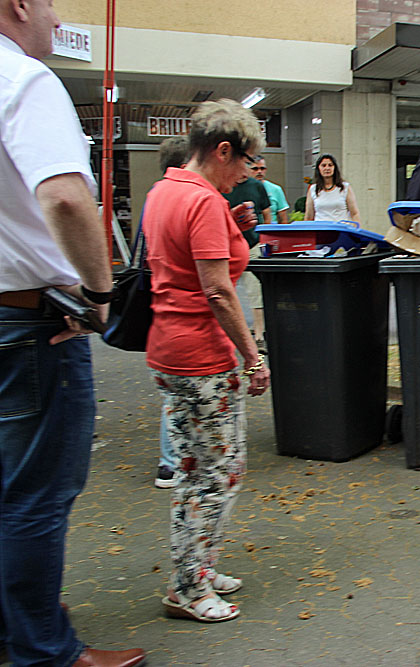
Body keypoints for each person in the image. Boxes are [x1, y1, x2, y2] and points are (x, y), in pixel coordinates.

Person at [0, 1, 147, 665]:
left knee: (8, 486)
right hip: (33, 322)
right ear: (19, 5)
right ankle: (45, 651)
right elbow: (64, 196)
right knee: (38, 492)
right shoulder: (23, 81)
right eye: (52, 4)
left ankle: (15, 628)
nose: (58, 21)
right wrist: (97, 295)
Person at [143, 99, 271, 623]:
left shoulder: (165, 191)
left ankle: (198, 566)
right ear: (222, 150)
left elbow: (179, 260)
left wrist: (230, 222)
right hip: (202, 357)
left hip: (169, 348)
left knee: (197, 468)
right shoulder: (202, 202)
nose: (246, 172)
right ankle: (188, 586)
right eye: (244, 161)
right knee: (216, 475)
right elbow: (218, 291)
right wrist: (253, 357)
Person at [152, 137, 190, 490]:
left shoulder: (155, 197)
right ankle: (175, 462)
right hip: (188, 323)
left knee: (172, 395)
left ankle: (170, 462)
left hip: (161, 320)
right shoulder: (191, 199)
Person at [222, 167, 270, 353]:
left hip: (252, 245)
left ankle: (259, 335)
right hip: (226, 248)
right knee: (225, 292)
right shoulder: (224, 185)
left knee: (255, 292)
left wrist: (265, 238)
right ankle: (228, 335)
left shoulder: (257, 186)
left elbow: (266, 213)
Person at [304, 154, 360, 222]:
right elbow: (309, 216)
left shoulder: (345, 188)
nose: (327, 168)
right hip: (320, 230)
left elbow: (354, 214)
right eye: (323, 165)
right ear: (318, 168)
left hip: (340, 230)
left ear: (334, 168)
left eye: (330, 165)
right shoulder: (313, 189)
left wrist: (356, 229)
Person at [252, 156, 290, 224]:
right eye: (255, 169)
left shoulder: (276, 189)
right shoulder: (243, 188)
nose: (259, 171)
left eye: (262, 168)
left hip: (270, 228)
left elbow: (283, 219)